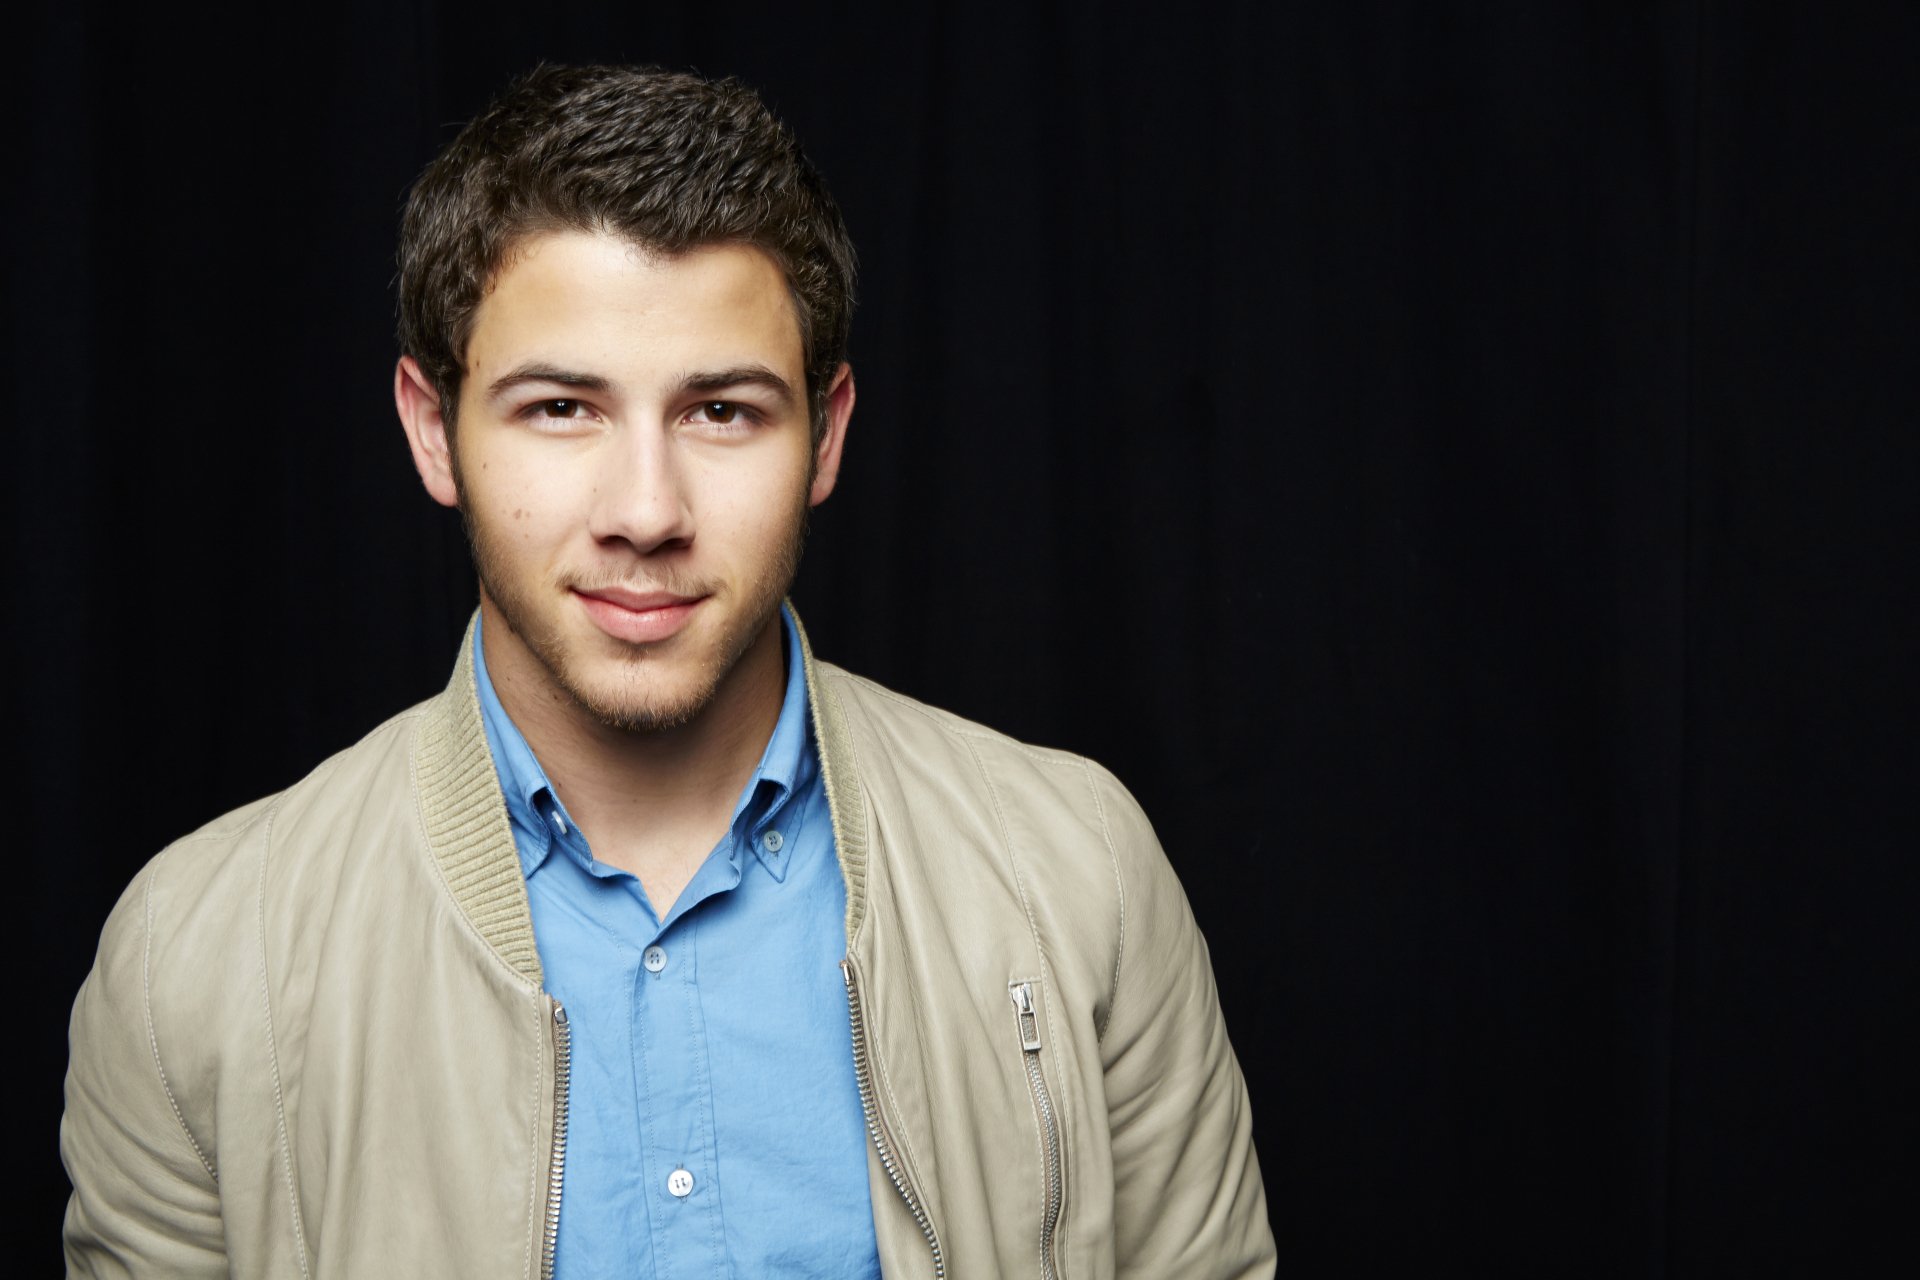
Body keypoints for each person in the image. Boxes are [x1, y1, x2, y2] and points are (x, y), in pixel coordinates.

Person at [61, 63, 1274, 1278]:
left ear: (828, 433)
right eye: (561, 409)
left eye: (723, 412)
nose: (645, 511)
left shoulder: (1078, 876)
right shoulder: (197, 960)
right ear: (434, 428)